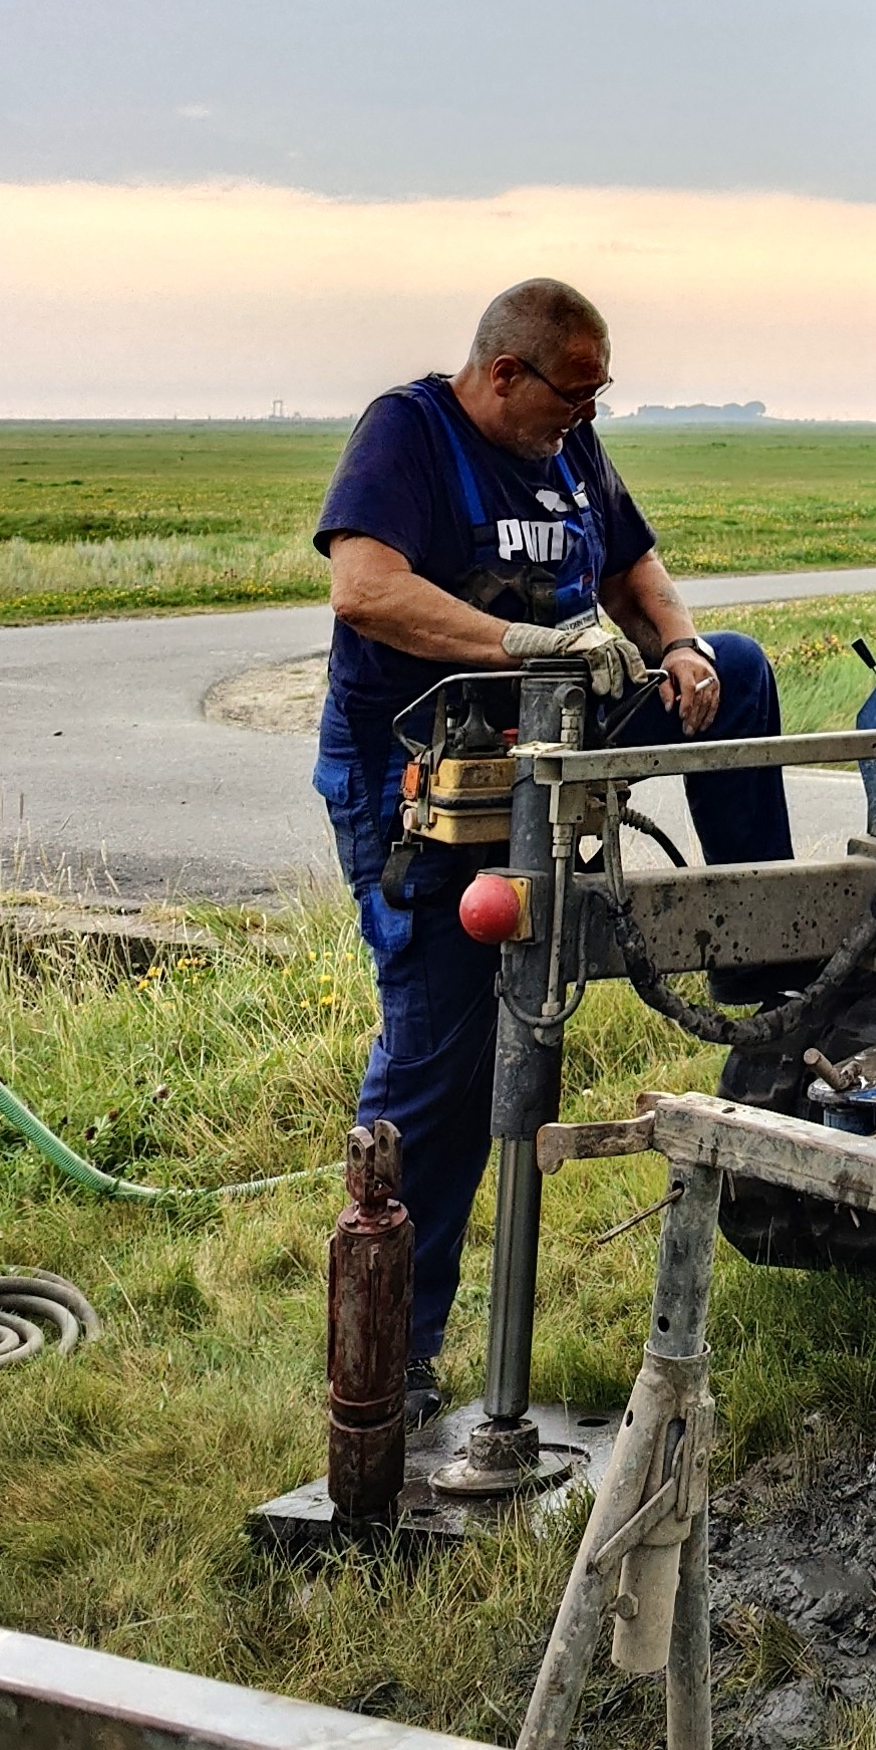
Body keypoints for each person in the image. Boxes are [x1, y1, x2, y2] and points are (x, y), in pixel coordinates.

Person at [312, 275, 788, 1414]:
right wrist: (534, 642)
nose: (583, 418)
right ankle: (395, 1363)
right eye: (570, 396)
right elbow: (365, 590)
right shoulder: (410, 432)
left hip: (554, 741)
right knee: (445, 1063)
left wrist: (675, 647)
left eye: (597, 398)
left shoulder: (574, 453)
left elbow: (633, 570)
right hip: (428, 776)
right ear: (503, 372)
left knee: (742, 669)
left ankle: (757, 958)